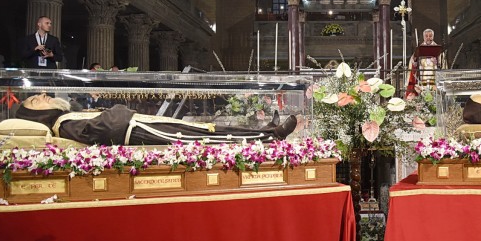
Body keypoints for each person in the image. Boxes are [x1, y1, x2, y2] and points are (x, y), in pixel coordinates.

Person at [15, 93, 297, 146]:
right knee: (208, 136)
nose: (42, 95)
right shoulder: (63, 125)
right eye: (36, 101)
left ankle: (266, 131)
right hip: (139, 132)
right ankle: (271, 136)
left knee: (205, 128)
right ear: (38, 114)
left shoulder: (66, 117)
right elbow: (106, 127)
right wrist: (114, 108)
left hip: (140, 125)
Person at [406, 29, 447, 95]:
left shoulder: (439, 51)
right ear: (424, 37)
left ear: (433, 37)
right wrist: (415, 58)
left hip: (434, 79)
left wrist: (437, 63)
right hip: (423, 78)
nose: (428, 38)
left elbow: (443, 65)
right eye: (426, 36)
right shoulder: (419, 49)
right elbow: (413, 63)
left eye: (430, 36)